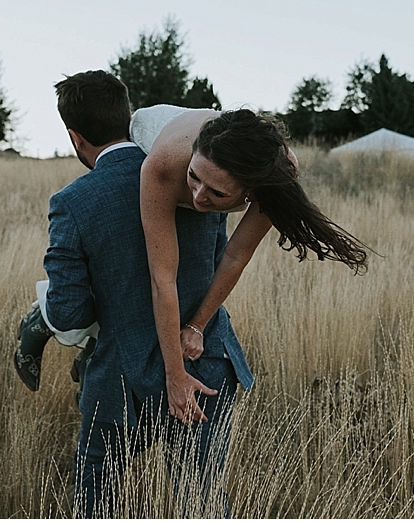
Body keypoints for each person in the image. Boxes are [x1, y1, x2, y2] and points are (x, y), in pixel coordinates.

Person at [18, 71, 252, 517]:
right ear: (128, 116)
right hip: (204, 359)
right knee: (199, 500)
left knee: (97, 496)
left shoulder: (74, 201)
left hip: (119, 376)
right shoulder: (195, 175)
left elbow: (68, 312)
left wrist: (51, 308)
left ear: (75, 136)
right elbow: (220, 260)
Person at [130, 104, 369, 425]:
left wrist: (197, 325)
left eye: (216, 192)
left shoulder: (276, 177)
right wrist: (175, 375)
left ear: (253, 192)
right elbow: (163, 280)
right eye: (194, 178)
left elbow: (235, 255)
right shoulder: (163, 165)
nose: (199, 196)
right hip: (150, 130)